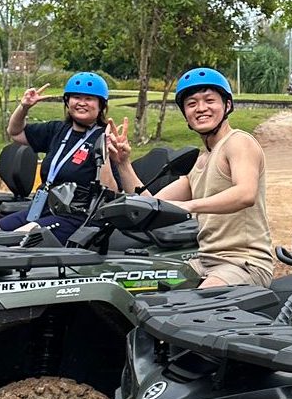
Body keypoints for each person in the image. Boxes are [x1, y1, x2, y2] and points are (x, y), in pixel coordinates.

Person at [107, 67, 273, 288]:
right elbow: (152, 205)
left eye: (209, 100)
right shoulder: (200, 161)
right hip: (205, 261)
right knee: (145, 291)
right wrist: (123, 163)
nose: (201, 108)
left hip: (243, 263)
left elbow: (245, 194)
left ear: (228, 105)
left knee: (190, 307)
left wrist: (189, 206)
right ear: (185, 113)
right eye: (192, 103)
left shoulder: (238, 142)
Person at [2, 72, 118, 242]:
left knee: (15, 239)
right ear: (67, 101)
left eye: (89, 99)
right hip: (43, 208)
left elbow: (112, 192)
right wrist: (24, 107)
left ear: (101, 105)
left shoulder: (105, 137)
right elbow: (15, 132)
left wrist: (105, 152)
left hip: (77, 217)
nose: (81, 103)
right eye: (76, 97)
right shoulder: (57, 130)